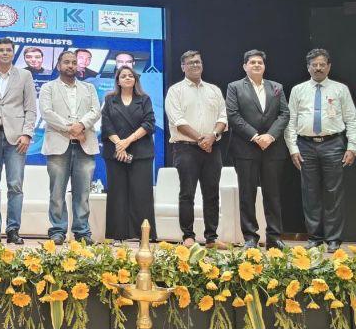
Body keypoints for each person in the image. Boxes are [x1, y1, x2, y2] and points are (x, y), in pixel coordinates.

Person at [285, 49, 356, 253]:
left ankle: (333, 239)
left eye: (322, 64)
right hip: (305, 145)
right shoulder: (298, 90)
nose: (318, 68)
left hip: (333, 143)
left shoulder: (340, 89)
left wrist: (352, 147)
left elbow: (352, 119)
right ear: (308, 67)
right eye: (314, 65)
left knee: (333, 193)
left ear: (329, 66)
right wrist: (293, 148)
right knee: (309, 193)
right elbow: (290, 121)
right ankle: (315, 238)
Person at [225, 50, 290, 249]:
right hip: (245, 148)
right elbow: (233, 115)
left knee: (273, 194)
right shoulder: (235, 87)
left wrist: (270, 136)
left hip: (272, 147)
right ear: (244, 66)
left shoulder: (276, 87)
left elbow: (284, 114)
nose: (256, 65)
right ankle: (250, 238)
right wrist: (255, 136)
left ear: (264, 66)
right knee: (247, 194)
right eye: (252, 62)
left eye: (259, 62)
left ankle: (274, 237)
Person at [164, 51, 229, 249]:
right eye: (190, 62)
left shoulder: (214, 90)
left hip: (212, 148)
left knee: (212, 194)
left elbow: (223, 117)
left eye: (198, 62)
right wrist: (201, 139)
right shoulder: (175, 91)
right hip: (185, 149)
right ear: (182, 67)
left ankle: (211, 238)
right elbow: (178, 120)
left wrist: (213, 136)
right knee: (187, 193)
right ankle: (188, 236)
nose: (195, 65)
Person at [0, 37, 37, 244]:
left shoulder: (25, 75)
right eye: (1, 50)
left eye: (8, 50)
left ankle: (13, 230)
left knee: (15, 186)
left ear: (13, 53)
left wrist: (27, 134)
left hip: (16, 138)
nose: (4, 53)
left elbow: (31, 108)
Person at [39, 51, 101, 245]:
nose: (71, 65)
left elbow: (96, 111)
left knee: (82, 194)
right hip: (58, 145)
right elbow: (47, 113)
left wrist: (81, 125)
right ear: (59, 65)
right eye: (66, 62)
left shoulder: (89, 88)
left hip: (84, 145)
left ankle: (82, 232)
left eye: (74, 62)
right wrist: (70, 128)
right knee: (57, 193)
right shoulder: (48, 88)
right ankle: (58, 231)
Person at [101, 65, 158, 242]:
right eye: (123, 76)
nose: (127, 78)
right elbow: (106, 124)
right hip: (116, 153)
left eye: (130, 75)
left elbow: (149, 123)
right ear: (117, 81)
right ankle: (117, 236)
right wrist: (120, 145)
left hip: (141, 153)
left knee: (141, 194)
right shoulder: (109, 99)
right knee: (117, 194)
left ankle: (143, 236)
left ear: (135, 80)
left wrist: (127, 141)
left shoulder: (144, 99)